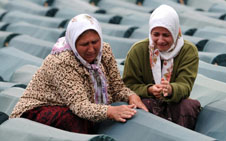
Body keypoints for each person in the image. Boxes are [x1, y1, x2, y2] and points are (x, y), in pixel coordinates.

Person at [10, 14, 148, 134]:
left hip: (73, 106)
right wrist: (110, 111)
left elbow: (117, 88)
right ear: (73, 42)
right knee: (76, 120)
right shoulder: (62, 61)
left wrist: (131, 95)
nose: (91, 49)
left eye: (95, 42)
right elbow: (79, 106)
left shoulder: (104, 51)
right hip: (36, 111)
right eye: (84, 44)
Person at [122, 4, 201, 130]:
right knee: (143, 107)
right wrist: (149, 90)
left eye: (166, 35)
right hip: (148, 101)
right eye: (156, 34)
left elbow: (185, 85)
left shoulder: (188, 51)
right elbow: (128, 86)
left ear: (175, 32)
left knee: (188, 106)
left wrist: (170, 89)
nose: (160, 40)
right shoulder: (138, 50)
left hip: (175, 101)